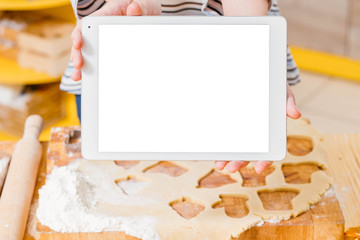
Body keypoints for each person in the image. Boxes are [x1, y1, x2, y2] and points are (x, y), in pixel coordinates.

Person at [61, 0, 301, 174]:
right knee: (121, 174)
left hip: (227, 51)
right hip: (118, 55)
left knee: (217, 174)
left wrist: (253, 55)